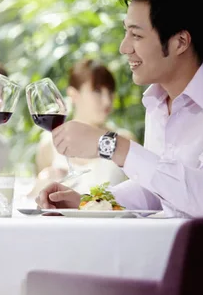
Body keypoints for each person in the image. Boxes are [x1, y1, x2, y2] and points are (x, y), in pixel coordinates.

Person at [36, 0, 203, 217]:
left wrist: (111, 145)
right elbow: (158, 189)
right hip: (178, 249)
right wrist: (89, 202)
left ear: (180, 42)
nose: (124, 48)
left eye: (136, 35)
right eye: (126, 32)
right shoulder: (158, 98)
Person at [34, 59, 135, 195]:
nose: (107, 101)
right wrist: (42, 184)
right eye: (97, 91)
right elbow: (37, 202)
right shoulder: (48, 145)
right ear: (73, 95)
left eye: (110, 92)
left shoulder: (124, 141)